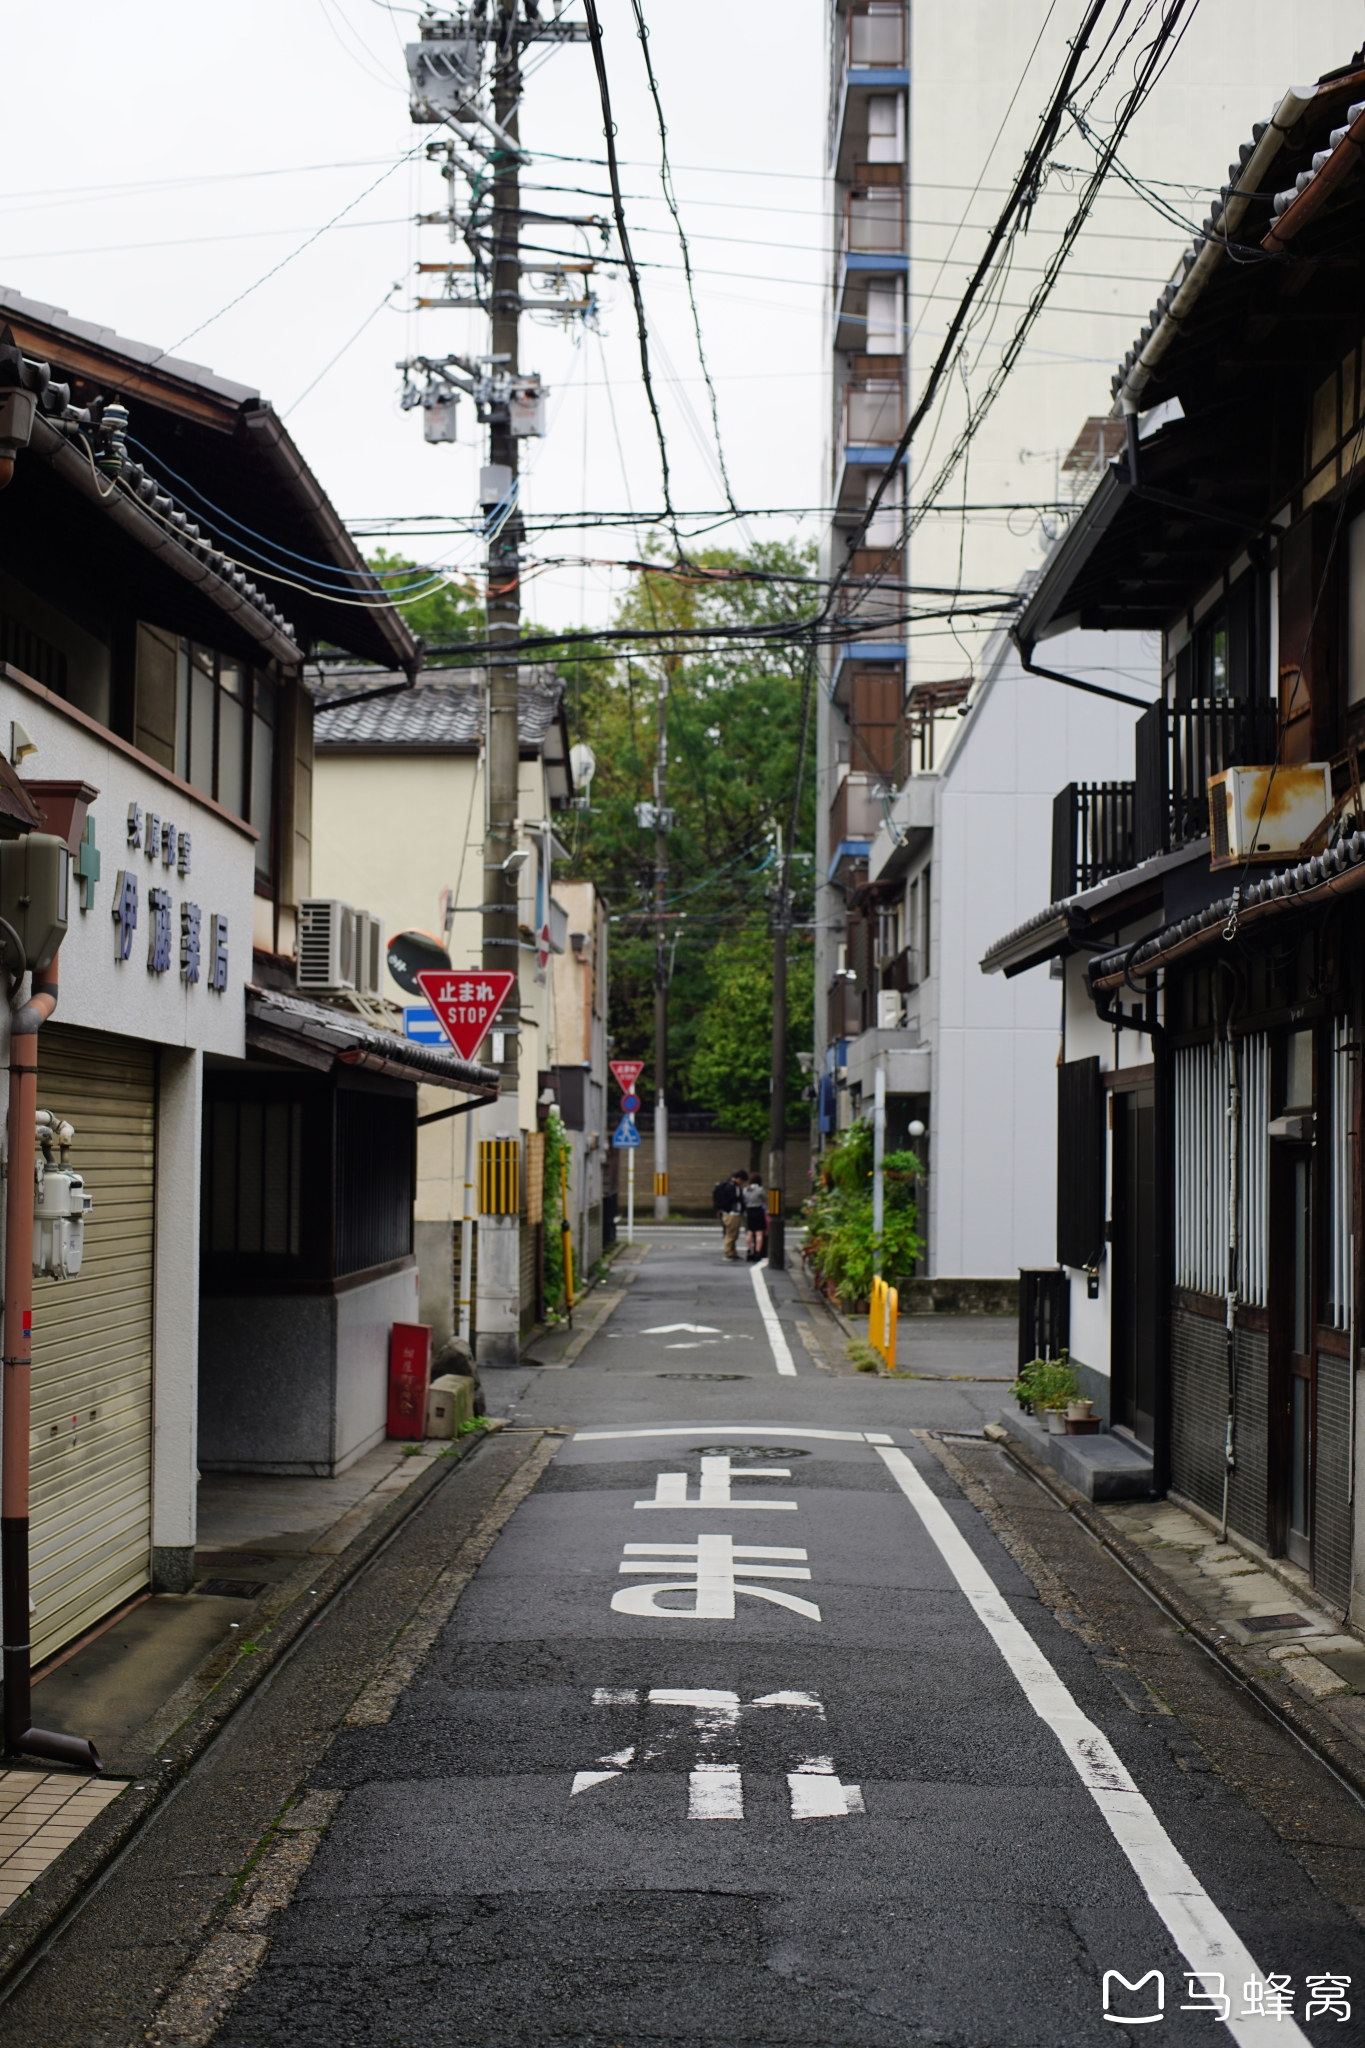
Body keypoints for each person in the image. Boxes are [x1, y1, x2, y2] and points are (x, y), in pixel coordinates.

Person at [713, 1169, 746, 1262]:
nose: (742, 1183)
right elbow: (735, 1199)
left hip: (727, 1213)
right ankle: (728, 1253)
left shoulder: (727, 1186)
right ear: (738, 1179)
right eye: (742, 1180)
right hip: (732, 1214)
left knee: (732, 1234)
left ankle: (732, 1252)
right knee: (731, 1234)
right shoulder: (732, 1187)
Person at [741, 1172, 767, 1263]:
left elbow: (743, 1200)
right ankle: (757, 1253)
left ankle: (749, 1252)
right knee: (759, 1233)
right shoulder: (760, 1190)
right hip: (758, 1211)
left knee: (749, 1232)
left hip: (749, 1212)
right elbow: (764, 1199)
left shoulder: (745, 1190)